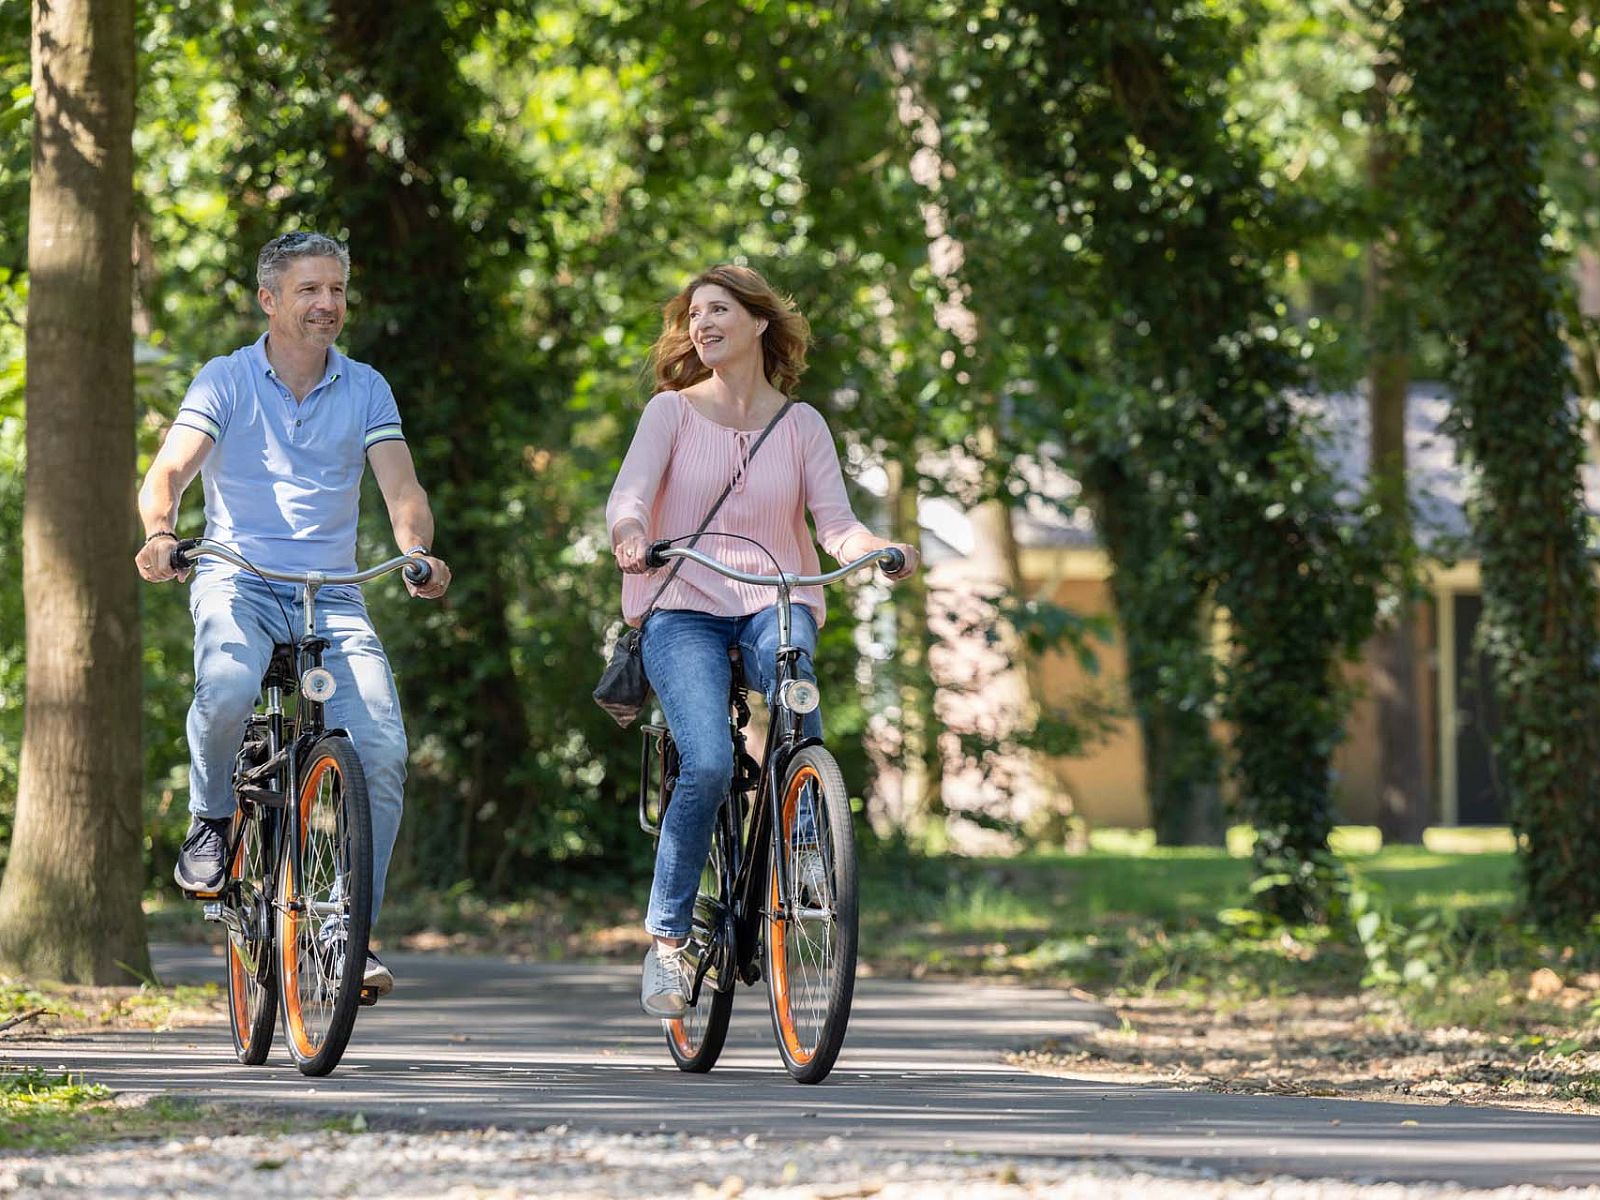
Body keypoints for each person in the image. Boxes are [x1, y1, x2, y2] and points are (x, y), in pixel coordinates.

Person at [133, 232, 451, 1000]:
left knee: (381, 749)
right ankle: (212, 820)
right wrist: (161, 533)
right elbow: (169, 470)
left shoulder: (366, 387)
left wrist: (417, 550)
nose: (328, 303)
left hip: (333, 593)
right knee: (226, 688)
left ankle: (347, 932)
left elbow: (402, 488)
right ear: (269, 300)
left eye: (337, 289)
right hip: (237, 580)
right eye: (310, 289)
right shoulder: (226, 379)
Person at [607, 264, 918, 1018]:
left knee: (795, 696)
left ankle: (806, 853)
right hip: (683, 602)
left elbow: (835, 524)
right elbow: (630, 497)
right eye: (694, 314)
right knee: (710, 761)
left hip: (776, 597)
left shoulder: (802, 425)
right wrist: (632, 536)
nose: (702, 324)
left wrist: (876, 549)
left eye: (718, 310)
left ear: (758, 322)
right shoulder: (671, 413)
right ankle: (668, 943)